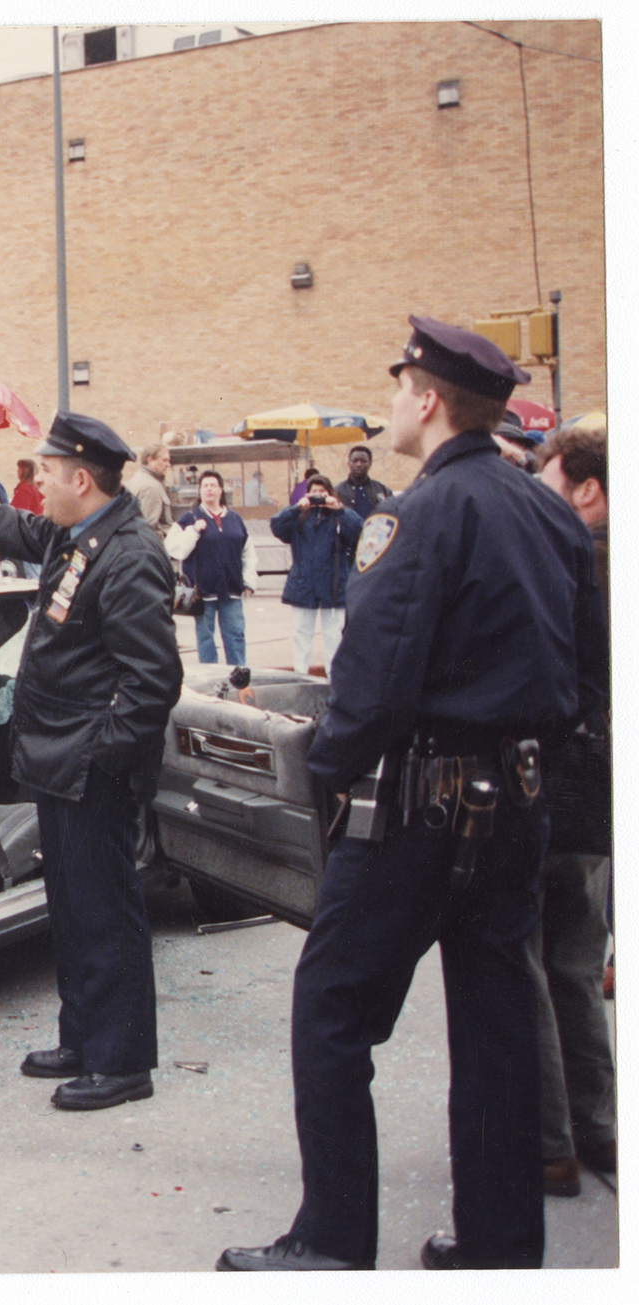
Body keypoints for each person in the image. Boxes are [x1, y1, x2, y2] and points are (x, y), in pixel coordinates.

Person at [219, 316, 604, 1273]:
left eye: (399, 387)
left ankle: (333, 1238)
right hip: (518, 803)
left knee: (332, 1012)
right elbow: (588, 667)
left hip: (422, 812)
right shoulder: (547, 509)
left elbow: (374, 682)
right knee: (496, 1030)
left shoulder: (415, 515)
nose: (393, 402)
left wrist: (326, 771)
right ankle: (501, 1244)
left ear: (427, 399)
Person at [0, 412, 182, 1112]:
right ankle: (83, 1038)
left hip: (88, 768)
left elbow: (151, 683)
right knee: (74, 911)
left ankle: (121, 1060)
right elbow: (1, 528)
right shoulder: (76, 536)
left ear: (82, 478)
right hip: (56, 760)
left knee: (106, 911)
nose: (36, 482)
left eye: (46, 471)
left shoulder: (130, 552)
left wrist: (98, 756)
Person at [530, 419, 615, 1196]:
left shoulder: (571, 563)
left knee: (530, 967)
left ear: (586, 489)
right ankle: (602, 1127)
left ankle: (550, 1141)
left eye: (546, 479)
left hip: (556, 786)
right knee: (579, 970)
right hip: (600, 793)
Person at [268, 474, 362, 675]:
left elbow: (358, 530)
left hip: (333, 583)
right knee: (301, 633)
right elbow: (276, 526)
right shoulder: (298, 517)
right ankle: (301, 674)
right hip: (303, 583)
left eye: (322, 491)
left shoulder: (338, 516)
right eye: (314, 492)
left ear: (330, 493)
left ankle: (333, 676)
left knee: (333, 635)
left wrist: (340, 509)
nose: (318, 496)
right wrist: (296, 508)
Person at [167, 470, 256, 665]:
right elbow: (174, 549)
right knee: (205, 639)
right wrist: (194, 531)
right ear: (199, 491)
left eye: (213, 485)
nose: (209, 489)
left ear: (220, 490)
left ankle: (238, 676)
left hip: (231, 590)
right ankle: (210, 676)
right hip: (202, 593)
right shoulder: (189, 518)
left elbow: (247, 552)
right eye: (205, 486)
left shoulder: (235, 519)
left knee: (235, 636)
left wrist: (249, 581)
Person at [127, 443, 174, 530]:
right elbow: (147, 528)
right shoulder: (151, 487)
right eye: (164, 460)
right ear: (150, 460)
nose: (168, 464)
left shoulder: (137, 478)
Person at [336, 444, 391, 519]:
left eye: (363, 461)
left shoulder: (382, 490)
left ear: (370, 464)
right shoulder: (337, 491)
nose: (359, 464)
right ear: (349, 463)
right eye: (355, 461)